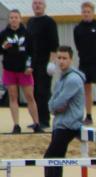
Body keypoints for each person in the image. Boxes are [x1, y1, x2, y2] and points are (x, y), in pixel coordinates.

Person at [40, 46, 84, 177]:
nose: (61, 61)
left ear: (71, 59)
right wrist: (54, 106)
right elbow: (52, 103)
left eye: (65, 58)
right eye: (59, 58)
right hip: (59, 123)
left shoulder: (72, 79)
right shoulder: (62, 78)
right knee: (55, 159)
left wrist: (55, 105)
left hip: (68, 125)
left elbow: (59, 101)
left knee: (51, 158)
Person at [1, 9, 42, 134]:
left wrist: (31, 66)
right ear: (9, 20)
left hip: (24, 70)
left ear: (20, 19)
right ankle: (16, 125)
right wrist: (3, 47)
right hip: (9, 69)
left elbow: (33, 51)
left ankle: (36, 123)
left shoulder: (27, 33)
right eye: (11, 17)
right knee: (13, 97)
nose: (13, 20)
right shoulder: (3, 34)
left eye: (16, 17)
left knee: (30, 96)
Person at [73, 1, 96, 126]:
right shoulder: (77, 28)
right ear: (81, 13)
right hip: (84, 63)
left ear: (92, 13)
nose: (86, 14)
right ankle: (88, 116)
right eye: (84, 12)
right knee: (87, 90)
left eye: (88, 12)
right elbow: (77, 45)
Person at [27, 0, 58, 130]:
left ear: (44, 6)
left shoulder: (49, 22)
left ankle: (45, 119)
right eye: (35, 3)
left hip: (45, 62)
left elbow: (54, 44)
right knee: (33, 92)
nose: (37, 6)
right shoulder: (30, 22)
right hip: (33, 63)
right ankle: (37, 120)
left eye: (40, 3)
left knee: (42, 92)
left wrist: (52, 63)